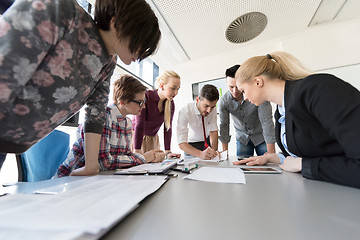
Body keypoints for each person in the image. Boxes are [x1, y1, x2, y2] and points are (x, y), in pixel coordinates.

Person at [0, 0, 161, 176]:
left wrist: (91, 165)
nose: (140, 55)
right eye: (140, 44)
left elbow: (96, 110)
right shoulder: (61, 10)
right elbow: (7, 65)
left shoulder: (109, 61)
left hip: (9, 140)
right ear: (117, 24)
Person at [233, 51, 360, 188]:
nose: (244, 97)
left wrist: (303, 165)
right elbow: (310, 148)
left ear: (258, 81)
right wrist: (272, 157)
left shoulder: (317, 89)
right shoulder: (281, 110)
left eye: (243, 91)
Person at [56, 75, 164, 177]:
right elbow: (103, 162)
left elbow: (126, 155)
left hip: (96, 179)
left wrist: (150, 157)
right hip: (69, 180)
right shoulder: (103, 116)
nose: (144, 106)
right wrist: (144, 157)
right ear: (122, 102)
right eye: (140, 102)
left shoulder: (128, 123)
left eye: (144, 101)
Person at [219, 65, 276, 158]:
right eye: (231, 87)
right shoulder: (224, 101)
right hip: (242, 139)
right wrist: (224, 153)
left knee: (268, 166)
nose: (235, 91)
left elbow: (266, 121)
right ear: (226, 83)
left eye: (237, 86)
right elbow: (224, 125)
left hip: (261, 137)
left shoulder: (258, 94)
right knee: (243, 169)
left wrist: (271, 153)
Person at [132, 70, 181, 159]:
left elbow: (167, 128)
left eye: (178, 89)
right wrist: (137, 151)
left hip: (153, 140)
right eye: (173, 88)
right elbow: (139, 125)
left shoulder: (170, 103)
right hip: (138, 139)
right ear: (162, 85)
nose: (176, 92)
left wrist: (167, 151)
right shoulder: (146, 96)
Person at [177, 84, 219, 160]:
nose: (209, 111)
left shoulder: (212, 109)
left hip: (207, 142)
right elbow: (181, 142)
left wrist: (214, 151)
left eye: (212, 107)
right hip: (190, 146)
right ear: (197, 100)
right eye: (206, 106)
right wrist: (200, 154)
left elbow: (213, 131)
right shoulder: (185, 111)